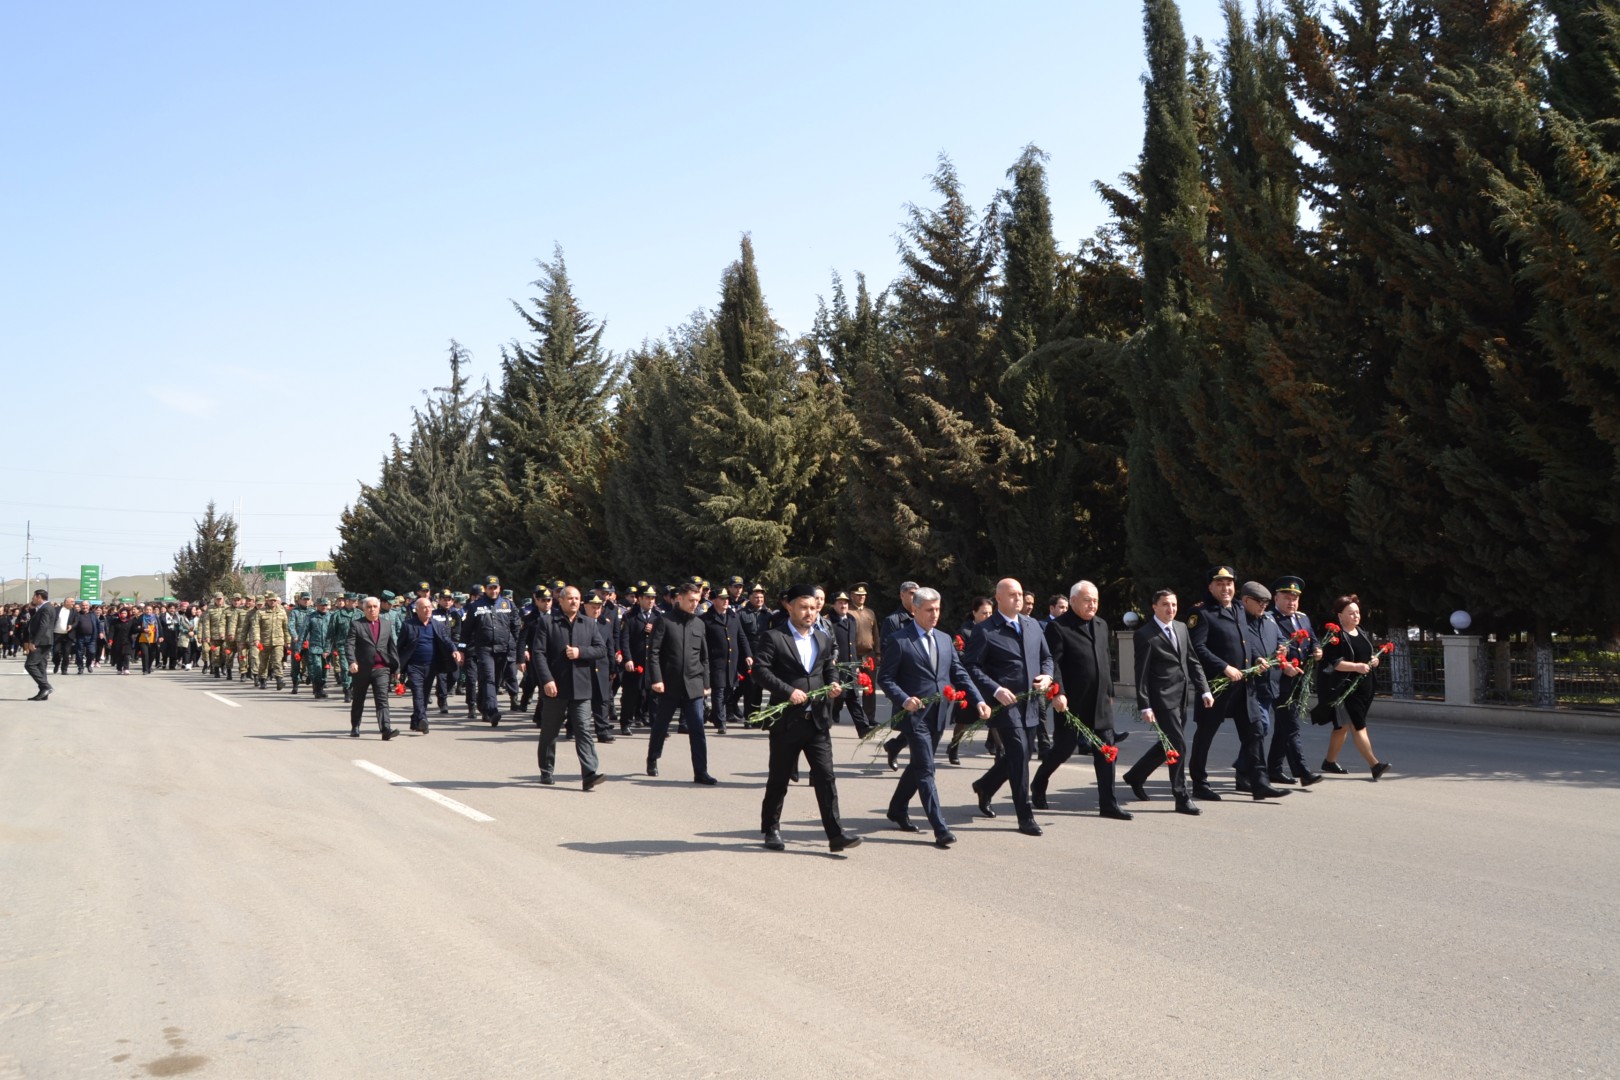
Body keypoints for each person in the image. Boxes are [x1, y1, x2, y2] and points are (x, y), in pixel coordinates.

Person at [877, 586, 989, 848]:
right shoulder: (900, 640)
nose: (935, 615)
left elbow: (959, 673)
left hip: (939, 714)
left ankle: (897, 809)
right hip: (914, 716)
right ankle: (940, 828)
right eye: (929, 610)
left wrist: (979, 700)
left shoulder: (944, 638)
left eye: (938, 609)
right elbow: (886, 678)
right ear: (915, 610)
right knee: (927, 769)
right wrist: (904, 699)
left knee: (918, 765)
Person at [753, 584, 861, 852]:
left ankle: (836, 835)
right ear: (790, 606)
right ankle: (771, 829)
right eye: (804, 607)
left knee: (826, 777)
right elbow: (760, 671)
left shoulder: (821, 638)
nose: (810, 613)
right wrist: (788, 691)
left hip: (818, 720)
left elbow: (828, 669)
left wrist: (834, 686)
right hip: (787, 721)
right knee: (779, 779)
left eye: (813, 608)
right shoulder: (774, 637)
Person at [1033, 580, 1132, 820]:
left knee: (1107, 750)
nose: (1092, 605)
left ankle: (1108, 803)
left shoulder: (1101, 624)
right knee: (1064, 749)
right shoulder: (1058, 627)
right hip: (1070, 702)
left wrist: (1109, 693)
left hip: (1099, 701)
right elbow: (1052, 663)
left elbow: (1105, 661)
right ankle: (1039, 782)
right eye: (1087, 600)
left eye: (1096, 600)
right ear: (1073, 600)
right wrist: (1058, 692)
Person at [963, 578, 1054, 836]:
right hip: (1005, 706)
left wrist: (1047, 677)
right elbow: (972, 666)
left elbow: (1046, 658)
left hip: (1031, 703)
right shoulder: (986, 630)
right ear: (999, 599)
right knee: (1018, 754)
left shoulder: (1033, 625)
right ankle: (1025, 816)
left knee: (1021, 755)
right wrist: (995, 689)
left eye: (1021, 594)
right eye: (1012, 595)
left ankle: (985, 786)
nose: (1019, 598)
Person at [1187, 565, 1287, 801]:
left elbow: (1245, 642)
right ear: (1210, 586)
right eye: (1220, 584)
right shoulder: (1201, 613)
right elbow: (1197, 648)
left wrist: (1257, 658)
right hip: (1217, 687)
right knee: (1205, 735)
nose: (1225, 588)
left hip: (1243, 687)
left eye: (1229, 583)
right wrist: (1224, 667)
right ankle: (1199, 784)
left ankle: (1259, 784)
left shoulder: (1239, 609)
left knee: (1254, 733)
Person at [1121, 589, 1214, 815]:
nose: (1170, 609)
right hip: (1161, 699)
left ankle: (1135, 776)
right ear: (1154, 607)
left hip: (1181, 696)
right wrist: (1145, 704)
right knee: (1178, 745)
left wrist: (1204, 690)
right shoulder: (1145, 634)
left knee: (1169, 745)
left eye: (1173, 604)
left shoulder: (1181, 628)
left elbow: (1192, 661)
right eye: (1165, 604)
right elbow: (1140, 673)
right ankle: (1181, 796)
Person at [530, 585, 608, 790]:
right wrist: (547, 680)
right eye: (570, 598)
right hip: (555, 688)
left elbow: (601, 649)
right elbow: (538, 653)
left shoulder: (589, 623)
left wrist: (580, 652)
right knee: (550, 731)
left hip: (581, 688)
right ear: (561, 601)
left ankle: (589, 773)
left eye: (577, 598)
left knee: (583, 730)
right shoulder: (548, 622)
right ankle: (546, 770)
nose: (574, 601)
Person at [1315, 594, 1392, 780]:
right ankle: (1375, 765)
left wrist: (1374, 660)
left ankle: (1329, 762)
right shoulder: (1336, 637)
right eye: (1351, 613)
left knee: (1342, 728)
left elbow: (1365, 655)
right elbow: (1333, 663)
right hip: (1345, 689)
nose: (1356, 616)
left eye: (1357, 612)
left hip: (1364, 687)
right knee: (1359, 726)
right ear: (1340, 615)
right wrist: (1356, 667)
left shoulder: (1362, 632)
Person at [647, 581, 717, 784]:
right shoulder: (665, 621)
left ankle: (701, 771)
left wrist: (706, 683)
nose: (694, 604)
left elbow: (704, 657)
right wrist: (657, 679)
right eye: (691, 600)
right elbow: (654, 652)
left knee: (697, 729)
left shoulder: (699, 624)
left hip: (694, 685)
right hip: (669, 685)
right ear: (680, 598)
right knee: (661, 726)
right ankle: (653, 758)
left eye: (697, 600)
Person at [1230, 581, 1290, 798]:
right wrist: (1256, 658)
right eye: (1260, 602)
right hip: (1250, 685)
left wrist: (1284, 648)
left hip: (1268, 684)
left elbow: (1281, 640)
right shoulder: (1238, 620)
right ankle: (1252, 775)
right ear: (1246, 600)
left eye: (1266, 602)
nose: (1264, 605)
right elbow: (1242, 645)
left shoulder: (1269, 619)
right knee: (1260, 726)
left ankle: (1243, 770)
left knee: (1259, 730)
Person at [1267, 576, 1323, 787]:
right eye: (1286, 597)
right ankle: (1302, 771)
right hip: (1279, 681)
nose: (1291, 602)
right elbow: (1267, 649)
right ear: (1276, 598)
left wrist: (1318, 649)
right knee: (1291, 727)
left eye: (1295, 598)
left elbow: (1312, 639)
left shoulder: (1303, 618)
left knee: (1283, 727)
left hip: (1299, 680)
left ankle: (1273, 769)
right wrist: (1283, 665)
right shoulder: (1269, 619)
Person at [463, 575, 522, 726]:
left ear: (499, 588)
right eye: (490, 588)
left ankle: (483, 706)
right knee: (489, 678)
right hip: (484, 649)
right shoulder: (475, 606)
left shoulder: (508, 604)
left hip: (503, 649)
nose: (493, 590)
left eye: (495, 587)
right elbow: (467, 630)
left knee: (493, 681)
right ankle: (492, 711)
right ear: (485, 589)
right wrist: (461, 649)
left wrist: (515, 646)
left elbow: (516, 627)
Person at [398, 597, 461, 734]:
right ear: (417, 610)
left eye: (430, 607)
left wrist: (454, 650)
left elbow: (446, 640)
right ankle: (422, 719)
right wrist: (398, 668)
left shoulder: (437, 624)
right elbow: (400, 647)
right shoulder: (409, 625)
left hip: (432, 666)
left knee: (425, 694)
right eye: (424, 608)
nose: (428, 610)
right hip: (414, 667)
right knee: (418, 693)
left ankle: (416, 721)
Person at [946, 595, 995, 765]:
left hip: (989, 680)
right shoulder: (964, 632)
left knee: (993, 716)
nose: (988, 616)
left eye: (990, 613)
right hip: (970, 679)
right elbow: (958, 655)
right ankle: (953, 746)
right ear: (974, 613)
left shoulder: (994, 630)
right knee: (964, 719)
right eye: (984, 613)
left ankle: (1000, 751)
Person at [346, 596, 400, 739]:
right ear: (364, 609)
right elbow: (349, 645)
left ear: (379, 608)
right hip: (361, 669)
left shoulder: (387, 624)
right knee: (358, 699)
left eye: (374, 607)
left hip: (381, 669)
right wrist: (352, 661)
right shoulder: (357, 624)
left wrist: (396, 669)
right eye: (369, 607)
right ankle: (355, 726)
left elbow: (392, 648)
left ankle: (385, 730)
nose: (372, 609)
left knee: (382, 700)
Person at [701, 587, 751, 735]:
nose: (725, 601)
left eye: (727, 599)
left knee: (729, 690)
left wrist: (748, 654)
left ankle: (713, 715)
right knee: (719, 691)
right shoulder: (705, 619)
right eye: (722, 598)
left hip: (732, 662)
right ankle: (721, 722)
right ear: (714, 600)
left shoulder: (733, 616)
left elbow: (741, 637)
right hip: (715, 661)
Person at [254, 593, 291, 691]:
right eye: (271, 600)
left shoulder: (282, 612)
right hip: (264, 641)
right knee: (263, 662)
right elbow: (256, 627)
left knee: (277, 661)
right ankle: (262, 679)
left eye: (274, 600)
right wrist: (256, 639)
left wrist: (288, 640)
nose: (273, 602)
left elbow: (286, 628)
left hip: (278, 641)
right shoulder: (260, 612)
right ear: (267, 601)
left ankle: (279, 680)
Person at [24, 590, 56, 700]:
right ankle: (44, 692)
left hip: (42, 642)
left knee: (30, 664)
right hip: (44, 641)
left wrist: (35, 642)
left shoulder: (46, 608)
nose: (32, 598)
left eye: (34, 596)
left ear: (39, 597)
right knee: (41, 666)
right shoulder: (44, 607)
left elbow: (43, 626)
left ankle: (46, 686)